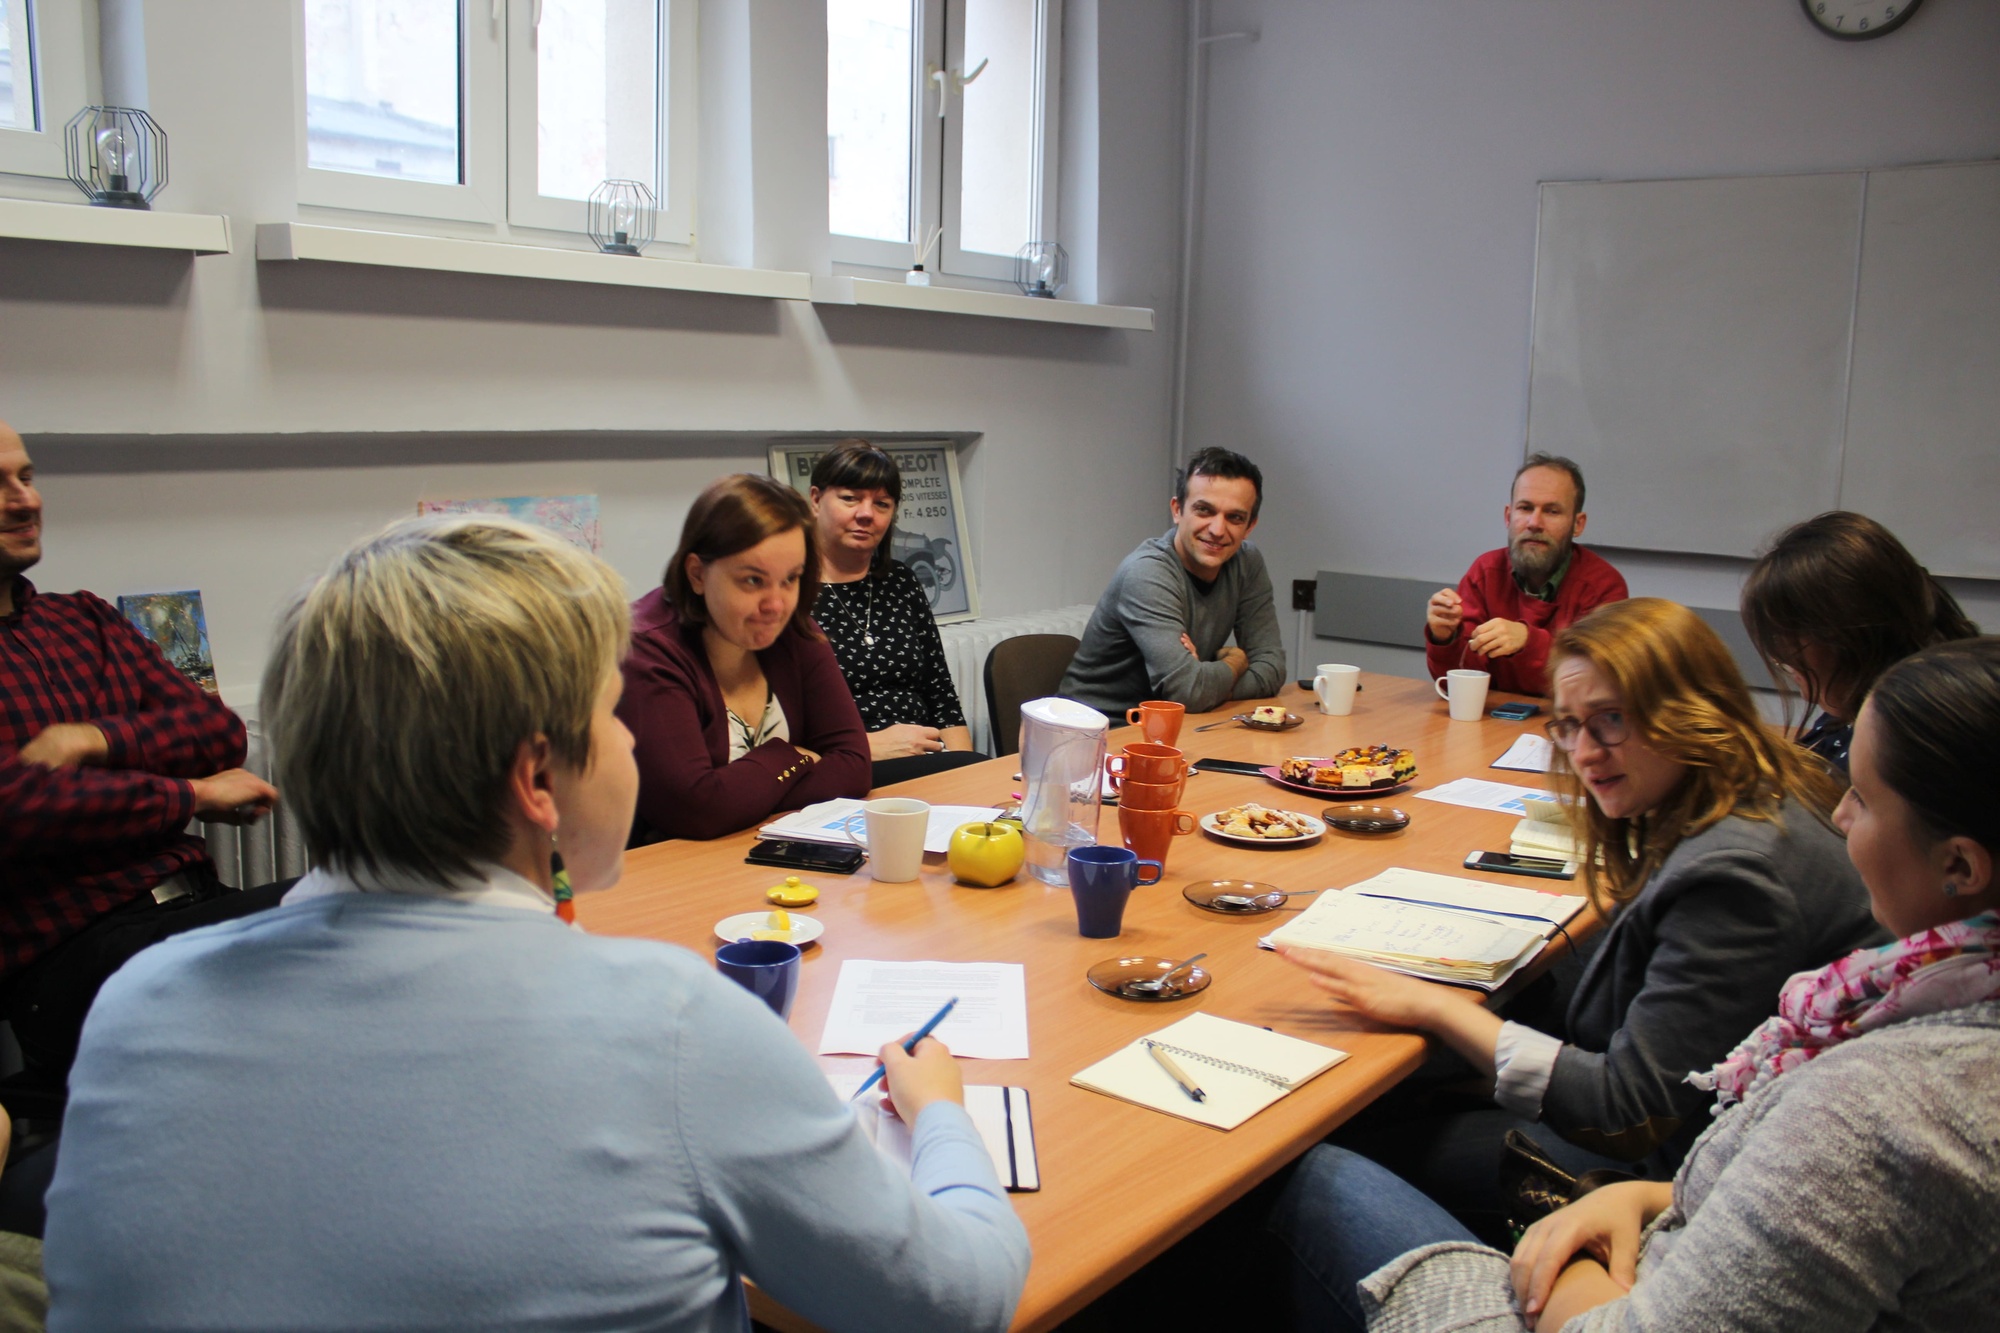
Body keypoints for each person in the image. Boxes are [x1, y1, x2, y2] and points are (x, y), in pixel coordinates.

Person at [42, 516, 1031, 1331]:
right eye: (613, 717)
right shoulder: (673, 1024)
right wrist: (939, 1112)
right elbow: (959, 1300)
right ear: (537, 778)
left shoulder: (136, 1008)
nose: (632, 746)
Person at [1270, 636, 2000, 1333]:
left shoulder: (1876, 1105)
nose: (1841, 815)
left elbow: (1637, 1118)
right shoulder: (1924, 1010)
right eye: (1569, 726)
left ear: (1961, 866)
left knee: (1292, 1170)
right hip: (1677, 1205)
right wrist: (1652, 1199)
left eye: (1863, 798)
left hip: (1628, 1259)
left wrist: (1570, 1250)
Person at [1278, 598, 1882, 1238]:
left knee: (1312, 1161)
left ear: (1691, 709)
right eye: (1568, 726)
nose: (1586, 753)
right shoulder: (1758, 791)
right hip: (1727, 1130)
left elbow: (1627, 1114)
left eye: (1611, 720)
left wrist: (1437, 1008)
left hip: (1686, 1180)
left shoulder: (1735, 873)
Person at [0, 422, 281, 1080]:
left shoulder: (85, 620)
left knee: (375, 915)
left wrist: (93, 739)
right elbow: (19, 805)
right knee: (350, 930)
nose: (25, 500)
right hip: (73, 959)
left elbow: (217, 731)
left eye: (27, 477)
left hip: (194, 904)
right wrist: (192, 794)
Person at [621, 474, 871, 842]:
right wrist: (793, 757)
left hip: (772, 848)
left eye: (791, 579)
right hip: (673, 862)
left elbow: (854, 766)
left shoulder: (795, 630)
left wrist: (738, 794)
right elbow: (696, 810)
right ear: (697, 574)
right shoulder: (646, 649)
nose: (776, 605)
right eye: (753, 581)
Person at [1742, 509, 1978, 774]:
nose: (1781, 657)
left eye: (1787, 639)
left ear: (1844, 637)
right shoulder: (1851, 716)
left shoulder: (1904, 747)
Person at [808, 440, 987, 787]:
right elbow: (781, 726)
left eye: (882, 503)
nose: (866, 514)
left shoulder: (900, 581)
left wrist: (967, 773)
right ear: (816, 500)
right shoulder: (789, 592)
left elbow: (940, 694)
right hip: (846, 770)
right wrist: (864, 747)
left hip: (927, 759)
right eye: (850, 498)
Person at [1060, 447, 1286, 716]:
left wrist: (1207, 682)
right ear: (1177, 510)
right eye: (1204, 510)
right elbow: (1188, 692)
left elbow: (1272, 669)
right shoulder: (1147, 572)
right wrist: (1237, 661)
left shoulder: (1247, 562)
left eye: (1234, 518)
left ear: (1250, 526)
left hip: (1174, 725)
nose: (1217, 530)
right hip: (1101, 728)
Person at [1424, 454, 1627, 696]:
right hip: (1492, 716)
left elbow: (1595, 684)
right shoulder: (1485, 572)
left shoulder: (1603, 585)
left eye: (1552, 511)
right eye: (1525, 508)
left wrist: (1529, 642)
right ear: (1508, 516)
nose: (1534, 523)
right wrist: (1445, 639)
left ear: (1578, 524)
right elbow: (1458, 683)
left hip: (1566, 718)